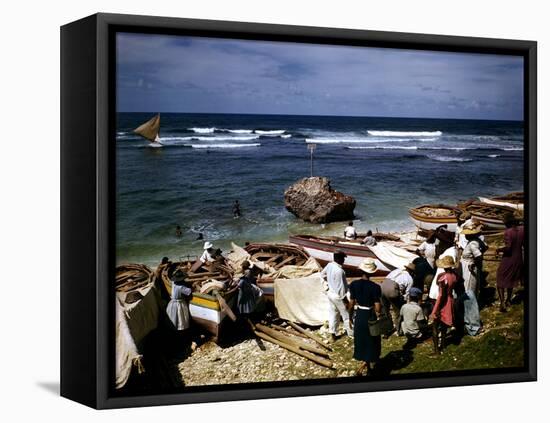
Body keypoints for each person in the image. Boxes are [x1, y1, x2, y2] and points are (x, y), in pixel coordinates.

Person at [348, 258, 382, 376]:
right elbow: (377, 307)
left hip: (359, 315)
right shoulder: (375, 287)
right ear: (372, 272)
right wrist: (379, 314)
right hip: (369, 314)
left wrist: (350, 317)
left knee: (361, 340)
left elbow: (351, 304)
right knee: (372, 340)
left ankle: (366, 365)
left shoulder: (353, 284)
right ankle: (366, 365)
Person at [459, 222, 484, 336]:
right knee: (471, 293)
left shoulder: (472, 244)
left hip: (469, 270)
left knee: (468, 294)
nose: (464, 235)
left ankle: (472, 324)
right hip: (469, 267)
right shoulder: (477, 241)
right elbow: (485, 248)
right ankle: (470, 320)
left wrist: (473, 264)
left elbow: (479, 256)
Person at [430, 256, 460, 354]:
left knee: (435, 326)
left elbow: (441, 295)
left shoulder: (443, 278)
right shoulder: (454, 276)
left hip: (442, 302)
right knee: (443, 326)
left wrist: (436, 309)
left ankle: (436, 350)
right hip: (450, 300)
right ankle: (443, 344)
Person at [321, 250, 352, 341]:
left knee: (333, 314)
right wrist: (345, 301)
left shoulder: (329, 265)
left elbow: (322, 274)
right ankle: (351, 334)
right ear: (338, 259)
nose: (344, 261)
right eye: (343, 259)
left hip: (330, 293)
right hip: (338, 296)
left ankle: (333, 333)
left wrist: (330, 282)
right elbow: (341, 288)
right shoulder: (340, 271)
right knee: (346, 315)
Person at [496, 213, 524, 312]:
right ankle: (508, 300)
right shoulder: (522, 229)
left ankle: (502, 302)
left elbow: (508, 248)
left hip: (509, 258)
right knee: (512, 279)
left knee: (500, 279)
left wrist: (499, 250)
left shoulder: (508, 232)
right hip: (519, 258)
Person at [380, 263, 415, 333]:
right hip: (392, 290)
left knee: (384, 310)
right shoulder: (410, 279)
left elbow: (387, 278)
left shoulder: (396, 271)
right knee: (398, 311)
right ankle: (399, 330)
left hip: (382, 286)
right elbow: (407, 294)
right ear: (411, 272)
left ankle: (386, 329)